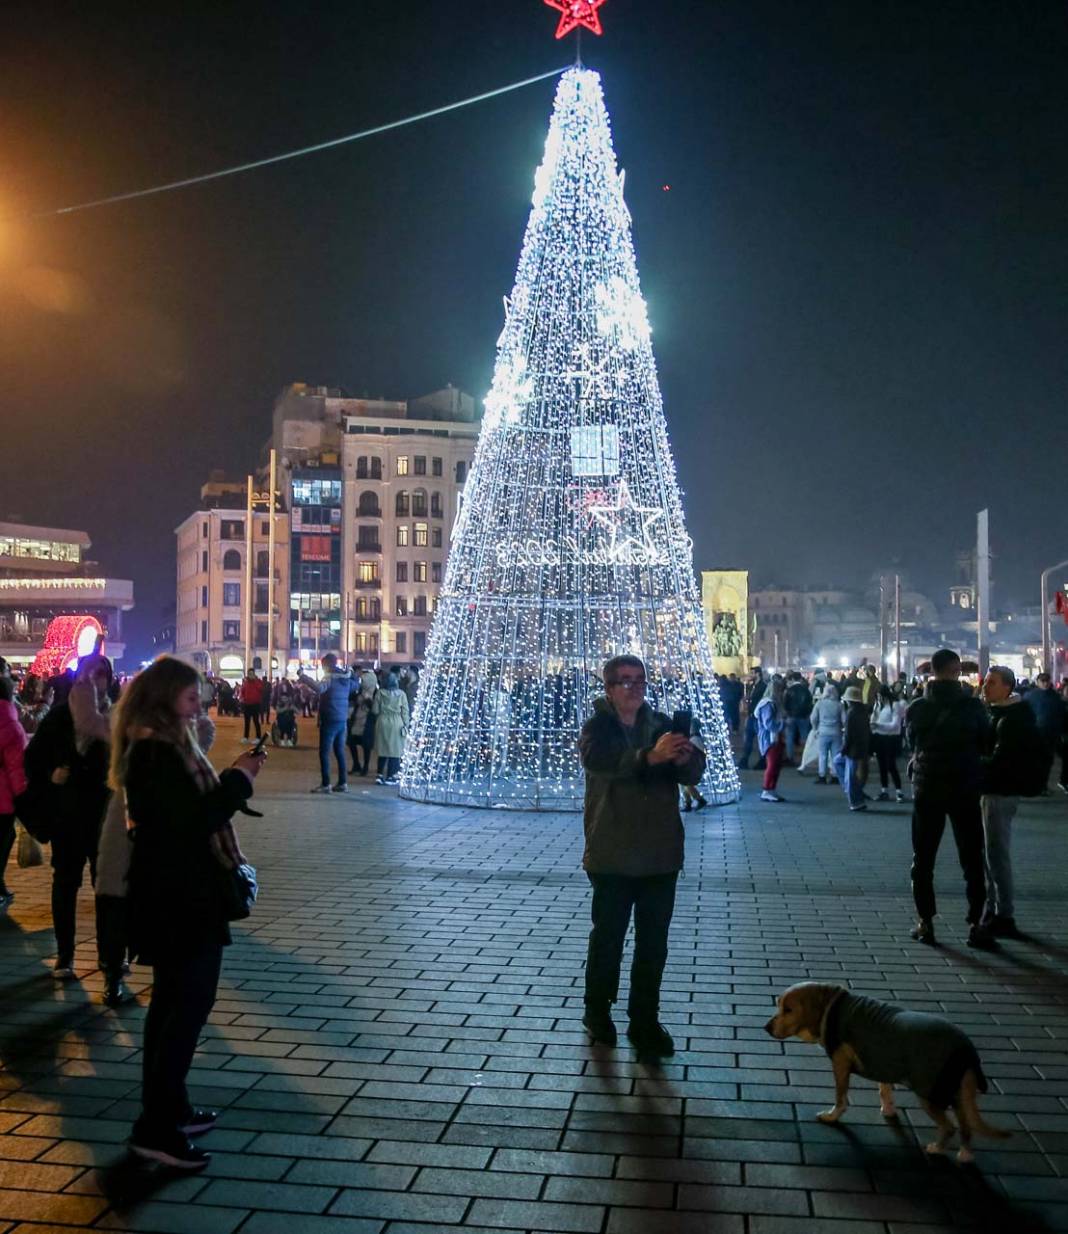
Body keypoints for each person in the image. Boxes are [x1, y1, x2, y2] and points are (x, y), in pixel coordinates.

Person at [115, 656, 265, 1170]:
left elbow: (183, 812)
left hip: (175, 897)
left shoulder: (165, 746)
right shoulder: (156, 753)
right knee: (184, 1011)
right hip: (179, 900)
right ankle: (155, 1130)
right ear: (163, 699)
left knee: (172, 1008)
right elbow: (190, 822)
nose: (198, 703)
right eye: (188, 696)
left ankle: (168, 1108)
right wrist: (239, 780)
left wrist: (224, 769)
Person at [578, 655, 705, 1056]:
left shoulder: (662, 725)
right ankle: (597, 1011)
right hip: (612, 850)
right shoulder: (598, 727)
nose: (633, 688)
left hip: (659, 853)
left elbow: (693, 774)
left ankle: (644, 1018)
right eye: (624, 681)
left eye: (639, 680)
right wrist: (650, 756)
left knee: (654, 943)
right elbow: (600, 762)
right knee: (608, 938)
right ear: (609, 688)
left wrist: (687, 758)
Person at [23, 654, 114, 978]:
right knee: (65, 883)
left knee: (106, 887)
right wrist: (51, 774)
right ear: (78, 678)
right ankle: (65, 955)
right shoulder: (61, 717)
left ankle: (109, 955)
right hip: (69, 814)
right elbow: (32, 759)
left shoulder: (117, 718)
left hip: (106, 816)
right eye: (90, 673)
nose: (96, 680)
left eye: (102, 674)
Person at [906, 648, 992, 949]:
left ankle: (925, 922)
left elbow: (911, 743)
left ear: (932, 670)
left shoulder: (917, 707)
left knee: (923, 858)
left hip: (927, 788)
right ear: (957, 671)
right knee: (971, 857)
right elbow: (986, 742)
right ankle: (976, 924)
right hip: (965, 788)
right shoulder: (973, 707)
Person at [980, 666, 1046, 939]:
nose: (985, 687)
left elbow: (1000, 761)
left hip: (999, 792)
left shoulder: (1011, 719)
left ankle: (1003, 913)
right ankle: (993, 908)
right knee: (990, 854)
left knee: (996, 854)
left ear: (1008, 687)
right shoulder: (1002, 713)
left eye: (992, 683)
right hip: (997, 791)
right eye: (985, 681)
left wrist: (972, 764)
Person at [302, 654, 358, 794]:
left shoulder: (329, 677)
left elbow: (319, 688)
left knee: (324, 752)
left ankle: (326, 784)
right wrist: (352, 674)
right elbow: (356, 685)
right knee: (340, 752)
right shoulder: (345, 678)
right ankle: (342, 782)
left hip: (329, 718)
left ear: (326, 665)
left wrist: (303, 677)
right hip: (342, 720)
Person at [0, 676, 28, 912]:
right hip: (3, 799)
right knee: (4, 838)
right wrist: (23, 796)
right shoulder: (11, 726)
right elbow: (16, 767)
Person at [834, 686, 871, 811]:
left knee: (849, 775)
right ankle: (855, 793)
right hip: (861, 747)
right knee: (843, 767)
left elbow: (849, 735)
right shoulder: (863, 711)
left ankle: (855, 801)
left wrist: (844, 749)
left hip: (852, 750)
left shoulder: (851, 713)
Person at [1024, 672, 1063, 790]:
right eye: (1043, 681)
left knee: (1045, 760)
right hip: (1037, 733)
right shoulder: (1031, 696)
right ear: (1038, 682)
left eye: (1047, 681)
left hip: (1048, 733)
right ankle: (1037, 785)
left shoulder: (1053, 697)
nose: (1045, 683)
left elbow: (1060, 715)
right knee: (1039, 760)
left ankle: (1040, 786)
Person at [870, 684, 907, 802]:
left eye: (880, 696)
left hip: (891, 739)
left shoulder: (895, 705)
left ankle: (899, 791)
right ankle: (884, 790)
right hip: (879, 737)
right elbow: (874, 720)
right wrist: (873, 722)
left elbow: (895, 725)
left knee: (891, 765)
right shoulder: (878, 705)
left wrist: (878, 725)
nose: (879, 698)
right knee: (881, 765)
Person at [372, 672, 410, 784]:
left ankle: (379, 775)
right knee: (395, 751)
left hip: (382, 721)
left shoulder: (380, 693)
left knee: (382, 750)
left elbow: (375, 710)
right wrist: (406, 724)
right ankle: (391, 776)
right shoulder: (402, 694)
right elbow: (405, 711)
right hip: (397, 722)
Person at [754, 676, 786, 802]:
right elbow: (769, 724)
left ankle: (771, 789)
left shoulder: (772, 703)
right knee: (772, 764)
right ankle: (767, 789)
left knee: (776, 764)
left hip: (775, 737)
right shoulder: (768, 704)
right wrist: (782, 724)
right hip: (770, 738)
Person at [811, 682, 843, 784]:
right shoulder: (839, 705)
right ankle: (835, 776)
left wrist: (815, 728)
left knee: (823, 755)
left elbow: (813, 718)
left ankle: (822, 776)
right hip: (836, 732)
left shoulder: (819, 704)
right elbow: (845, 719)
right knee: (835, 755)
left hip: (823, 732)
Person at [737, 668, 767, 770]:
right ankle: (744, 760)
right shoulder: (752, 686)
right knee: (748, 740)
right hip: (751, 716)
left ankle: (762, 761)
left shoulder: (763, 686)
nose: (750, 675)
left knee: (760, 740)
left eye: (752, 673)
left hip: (758, 717)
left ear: (757, 674)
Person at [782, 671, 813, 765]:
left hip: (791, 716)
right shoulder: (806, 690)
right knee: (804, 737)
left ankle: (790, 757)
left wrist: (788, 713)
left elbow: (785, 703)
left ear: (792, 679)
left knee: (789, 737)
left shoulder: (789, 690)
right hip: (804, 717)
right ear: (800, 679)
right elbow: (809, 703)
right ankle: (806, 758)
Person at [239, 670, 264, 742]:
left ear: (254, 674)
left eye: (252, 674)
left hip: (255, 704)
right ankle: (246, 737)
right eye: (249, 674)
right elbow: (242, 691)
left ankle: (258, 737)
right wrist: (243, 698)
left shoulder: (258, 681)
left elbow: (261, 689)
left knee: (256, 721)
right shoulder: (246, 683)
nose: (250, 675)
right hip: (247, 704)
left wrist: (255, 680)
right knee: (247, 722)